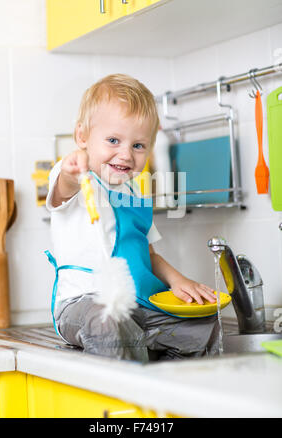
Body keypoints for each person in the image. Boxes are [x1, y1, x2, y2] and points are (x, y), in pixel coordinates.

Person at [45, 73, 219, 362]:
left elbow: (147, 253)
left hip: (136, 306)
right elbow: (63, 190)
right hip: (83, 306)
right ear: (82, 137)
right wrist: (70, 171)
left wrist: (178, 281)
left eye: (138, 146)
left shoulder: (135, 194)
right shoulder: (75, 177)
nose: (126, 154)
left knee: (203, 329)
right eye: (113, 140)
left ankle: (171, 392)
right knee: (107, 321)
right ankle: (128, 397)